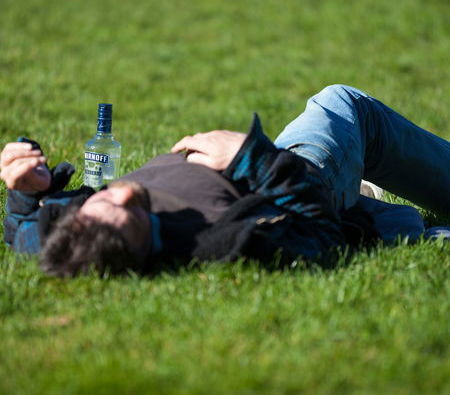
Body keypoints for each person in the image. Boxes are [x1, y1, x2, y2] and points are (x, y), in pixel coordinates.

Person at [1, 85, 449, 277]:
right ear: (142, 242)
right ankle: (372, 208)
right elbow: (319, 234)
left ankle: (395, 223)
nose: (116, 191)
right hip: (296, 177)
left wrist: (26, 191)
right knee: (342, 104)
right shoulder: (222, 241)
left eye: (99, 202)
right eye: (131, 209)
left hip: (262, 175)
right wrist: (250, 158)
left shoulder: (76, 235)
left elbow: (22, 232)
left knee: (381, 220)